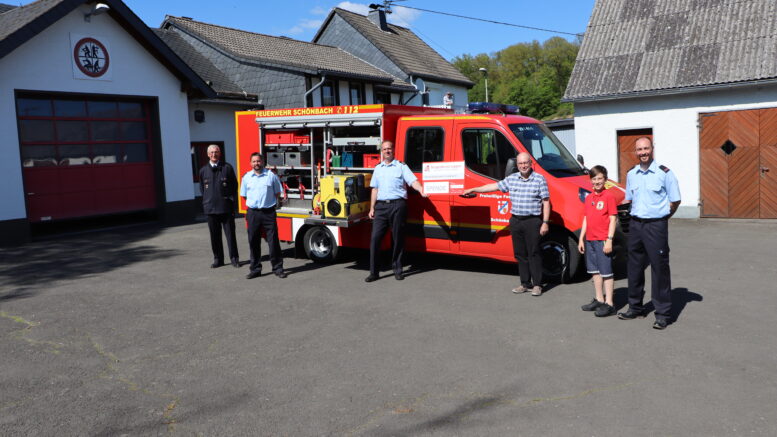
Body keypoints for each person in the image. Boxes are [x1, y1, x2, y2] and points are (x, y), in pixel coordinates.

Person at [462, 152, 550, 296]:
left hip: (532, 221)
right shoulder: (512, 179)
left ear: (530, 163)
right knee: (520, 254)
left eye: (525, 163)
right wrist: (473, 189)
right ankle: (525, 284)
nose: (523, 166)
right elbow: (493, 187)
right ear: (517, 165)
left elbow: (546, 202)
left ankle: (537, 285)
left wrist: (545, 222)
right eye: (520, 163)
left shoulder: (539, 179)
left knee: (534, 253)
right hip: (515, 220)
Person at [618, 137, 681, 330]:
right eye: (639, 149)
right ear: (635, 152)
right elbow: (629, 199)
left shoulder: (664, 173)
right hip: (636, 226)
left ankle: (662, 313)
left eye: (646, 148)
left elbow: (675, 200)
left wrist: (662, 219)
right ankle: (635, 306)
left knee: (659, 269)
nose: (643, 152)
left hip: (656, 226)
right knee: (634, 267)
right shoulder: (631, 174)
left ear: (652, 149)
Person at [365, 140, 427, 282]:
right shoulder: (378, 168)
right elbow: (375, 189)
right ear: (382, 151)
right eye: (384, 149)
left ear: (393, 150)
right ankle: (374, 272)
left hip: (398, 206)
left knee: (398, 238)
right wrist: (372, 208)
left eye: (389, 149)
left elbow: (413, 181)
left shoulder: (401, 167)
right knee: (375, 239)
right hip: (380, 208)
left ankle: (397, 269)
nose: (387, 151)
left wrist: (421, 189)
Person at [578, 165, 617, 317]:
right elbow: (586, 218)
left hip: (602, 240)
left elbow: (613, 219)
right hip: (590, 240)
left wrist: (609, 240)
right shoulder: (588, 197)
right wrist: (581, 238)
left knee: (606, 272)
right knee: (594, 271)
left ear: (605, 180)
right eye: (594, 179)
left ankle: (610, 304)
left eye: (600, 178)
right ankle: (599, 299)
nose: (597, 181)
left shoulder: (609, 196)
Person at [240, 152, 287, 279]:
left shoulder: (271, 176)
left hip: (268, 213)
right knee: (253, 241)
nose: (256, 163)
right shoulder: (246, 178)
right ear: (250, 163)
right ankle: (255, 269)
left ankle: (277, 268)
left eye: (258, 161)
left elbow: (278, 193)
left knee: (273, 242)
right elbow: (244, 195)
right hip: (253, 213)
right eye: (254, 161)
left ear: (263, 162)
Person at [199, 144, 239, 269]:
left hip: (226, 208)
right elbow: (202, 189)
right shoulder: (203, 170)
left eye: (216, 152)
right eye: (211, 152)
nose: (214, 154)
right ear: (208, 154)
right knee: (214, 237)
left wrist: (230, 201)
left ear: (220, 153)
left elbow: (234, 186)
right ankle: (218, 259)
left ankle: (234, 259)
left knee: (230, 236)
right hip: (210, 209)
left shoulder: (227, 168)